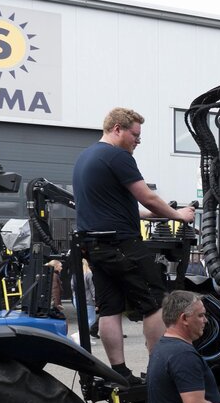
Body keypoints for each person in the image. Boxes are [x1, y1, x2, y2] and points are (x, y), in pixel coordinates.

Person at [74, 108, 196, 385]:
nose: (138, 141)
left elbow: (125, 209)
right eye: (135, 135)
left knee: (109, 308)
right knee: (155, 303)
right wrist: (179, 215)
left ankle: (120, 372)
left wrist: (161, 212)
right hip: (122, 244)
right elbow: (147, 197)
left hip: (96, 247)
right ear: (118, 128)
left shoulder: (86, 157)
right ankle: (157, 373)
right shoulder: (118, 156)